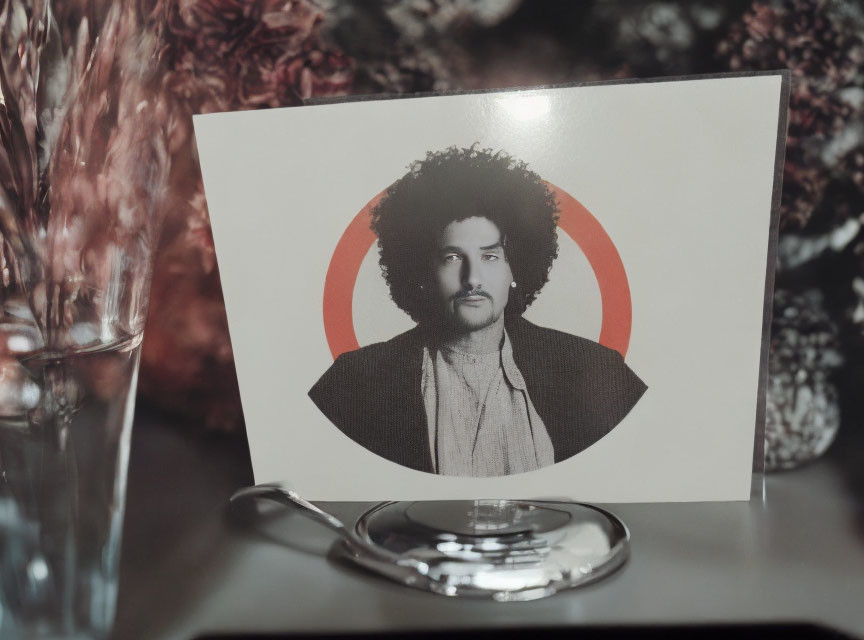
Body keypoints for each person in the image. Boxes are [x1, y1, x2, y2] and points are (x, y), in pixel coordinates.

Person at [309, 145, 646, 476]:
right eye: (452, 257)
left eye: (490, 256)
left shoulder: (593, 371)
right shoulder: (356, 384)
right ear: (423, 270)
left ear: (516, 267)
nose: (472, 279)